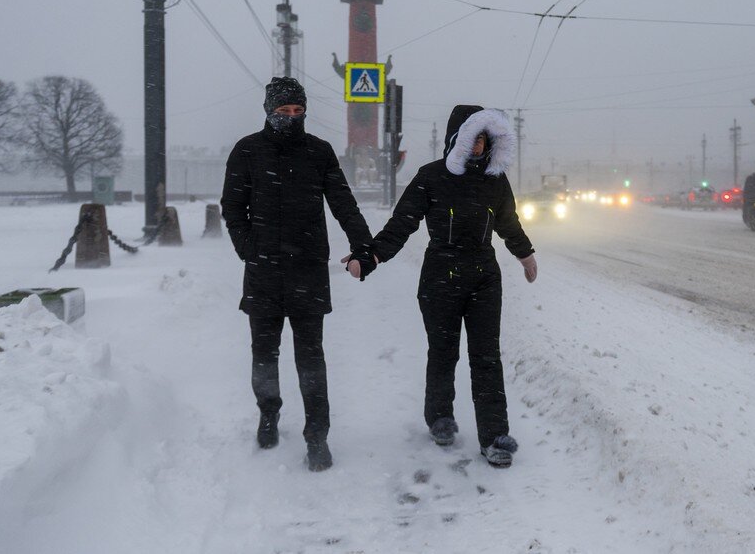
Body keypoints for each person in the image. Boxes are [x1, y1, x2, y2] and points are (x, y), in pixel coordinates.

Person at [367, 105, 537, 468]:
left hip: (484, 278)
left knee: (486, 358)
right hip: (440, 278)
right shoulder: (431, 176)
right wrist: (372, 256)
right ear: (456, 137)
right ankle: (440, 418)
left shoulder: (495, 179)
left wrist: (525, 255)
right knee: (443, 353)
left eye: (484, 138)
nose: (478, 144)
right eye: (472, 136)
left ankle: (494, 437)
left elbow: (508, 223)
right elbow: (402, 223)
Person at [221, 77, 376, 472]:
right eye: (283, 111)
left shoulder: (318, 152)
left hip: (307, 270)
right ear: (269, 111)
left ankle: (316, 436)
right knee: (264, 355)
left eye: (297, 111)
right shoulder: (247, 151)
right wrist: (248, 249)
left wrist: (364, 246)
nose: (291, 118)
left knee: (311, 359)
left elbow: (343, 203)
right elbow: (233, 208)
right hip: (263, 271)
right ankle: (268, 412)